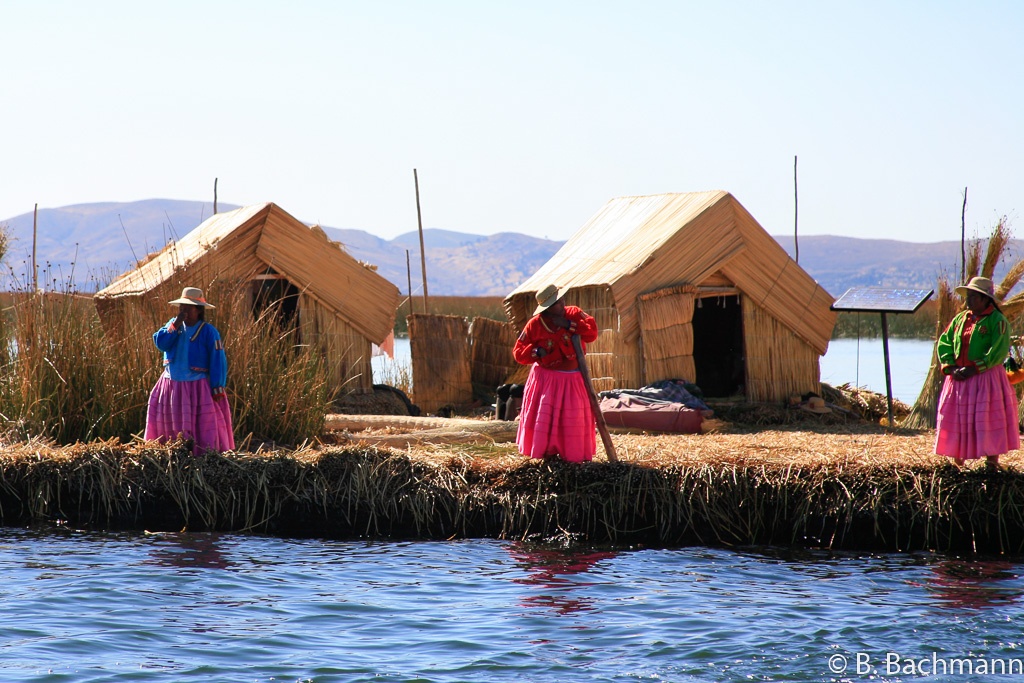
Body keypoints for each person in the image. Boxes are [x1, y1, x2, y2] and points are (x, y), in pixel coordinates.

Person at [934, 276, 1019, 470]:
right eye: (968, 296)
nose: (968, 301)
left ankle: (991, 463)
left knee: (986, 418)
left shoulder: (997, 321)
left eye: (973, 296)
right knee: (957, 418)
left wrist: (976, 367)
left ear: (985, 299)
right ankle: (958, 463)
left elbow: (999, 349)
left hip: (985, 378)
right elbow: (945, 341)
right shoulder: (960, 319)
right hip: (959, 378)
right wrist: (951, 367)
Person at [513, 284, 599, 462]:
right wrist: (536, 352)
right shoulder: (535, 325)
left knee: (572, 418)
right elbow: (518, 352)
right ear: (547, 308)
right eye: (557, 303)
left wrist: (568, 324)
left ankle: (572, 454)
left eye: (561, 300)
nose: (562, 304)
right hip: (546, 380)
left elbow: (591, 333)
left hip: (573, 377)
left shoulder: (573, 313)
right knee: (546, 418)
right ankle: (546, 452)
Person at [145, 286, 235, 455]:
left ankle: (200, 452)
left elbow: (218, 360)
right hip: (171, 384)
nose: (183, 311)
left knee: (199, 422)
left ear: (199, 311)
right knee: (171, 422)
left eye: (188, 308)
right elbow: (161, 343)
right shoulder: (173, 326)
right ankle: (170, 451)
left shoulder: (209, 332)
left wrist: (217, 386)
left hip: (197, 386)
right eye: (181, 307)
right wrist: (174, 324)